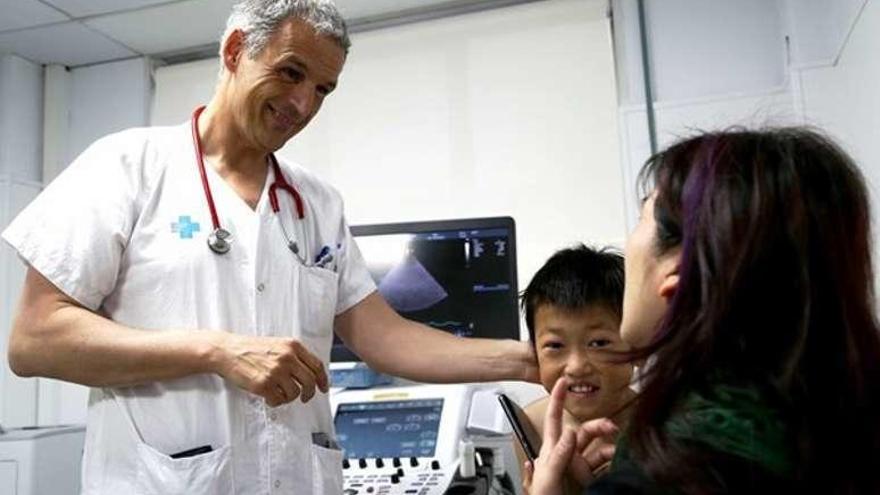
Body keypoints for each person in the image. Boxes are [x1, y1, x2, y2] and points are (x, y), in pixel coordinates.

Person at [1, 1, 536, 493]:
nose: (303, 104)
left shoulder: (317, 203)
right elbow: (35, 339)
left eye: (323, 89)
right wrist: (215, 351)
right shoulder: (127, 167)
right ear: (235, 51)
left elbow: (385, 337)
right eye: (290, 72)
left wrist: (530, 361)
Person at [526, 128, 880, 494]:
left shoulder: (673, 468)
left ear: (675, 278)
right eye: (554, 345)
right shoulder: (839, 419)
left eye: (642, 217)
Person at [516, 245, 634, 494]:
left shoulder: (663, 422)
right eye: (555, 345)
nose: (578, 366)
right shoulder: (530, 424)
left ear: (635, 343)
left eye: (599, 343)